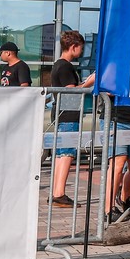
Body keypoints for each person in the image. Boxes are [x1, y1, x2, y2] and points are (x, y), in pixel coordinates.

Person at [48, 31, 95, 208]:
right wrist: (89, 82)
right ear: (73, 47)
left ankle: (56, 192)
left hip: (62, 114)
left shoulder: (58, 65)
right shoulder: (65, 66)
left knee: (61, 154)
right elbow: (72, 91)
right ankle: (59, 193)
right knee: (66, 154)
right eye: (81, 48)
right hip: (68, 115)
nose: (82, 51)